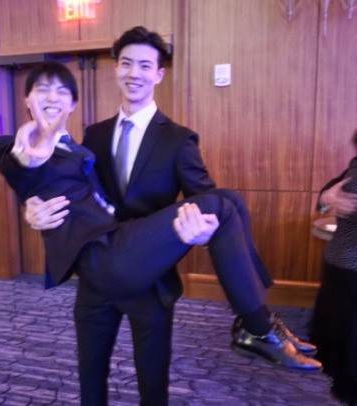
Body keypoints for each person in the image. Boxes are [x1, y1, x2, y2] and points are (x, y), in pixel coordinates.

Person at [20, 27, 321, 405]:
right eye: (127, 63)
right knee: (90, 380)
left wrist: (202, 233)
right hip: (99, 275)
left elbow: (203, 199)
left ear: (159, 74)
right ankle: (257, 323)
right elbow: (75, 188)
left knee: (153, 386)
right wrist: (32, 210)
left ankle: (259, 320)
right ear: (117, 69)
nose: (135, 73)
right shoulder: (94, 134)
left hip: (151, 281)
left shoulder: (178, 139)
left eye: (145, 65)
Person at [310, 129, 357, 405]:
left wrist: (326, 198)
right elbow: (324, 197)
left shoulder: (353, 169)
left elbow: (326, 195)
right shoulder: (354, 172)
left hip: (342, 266)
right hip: (348, 268)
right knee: (346, 342)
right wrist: (327, 199)